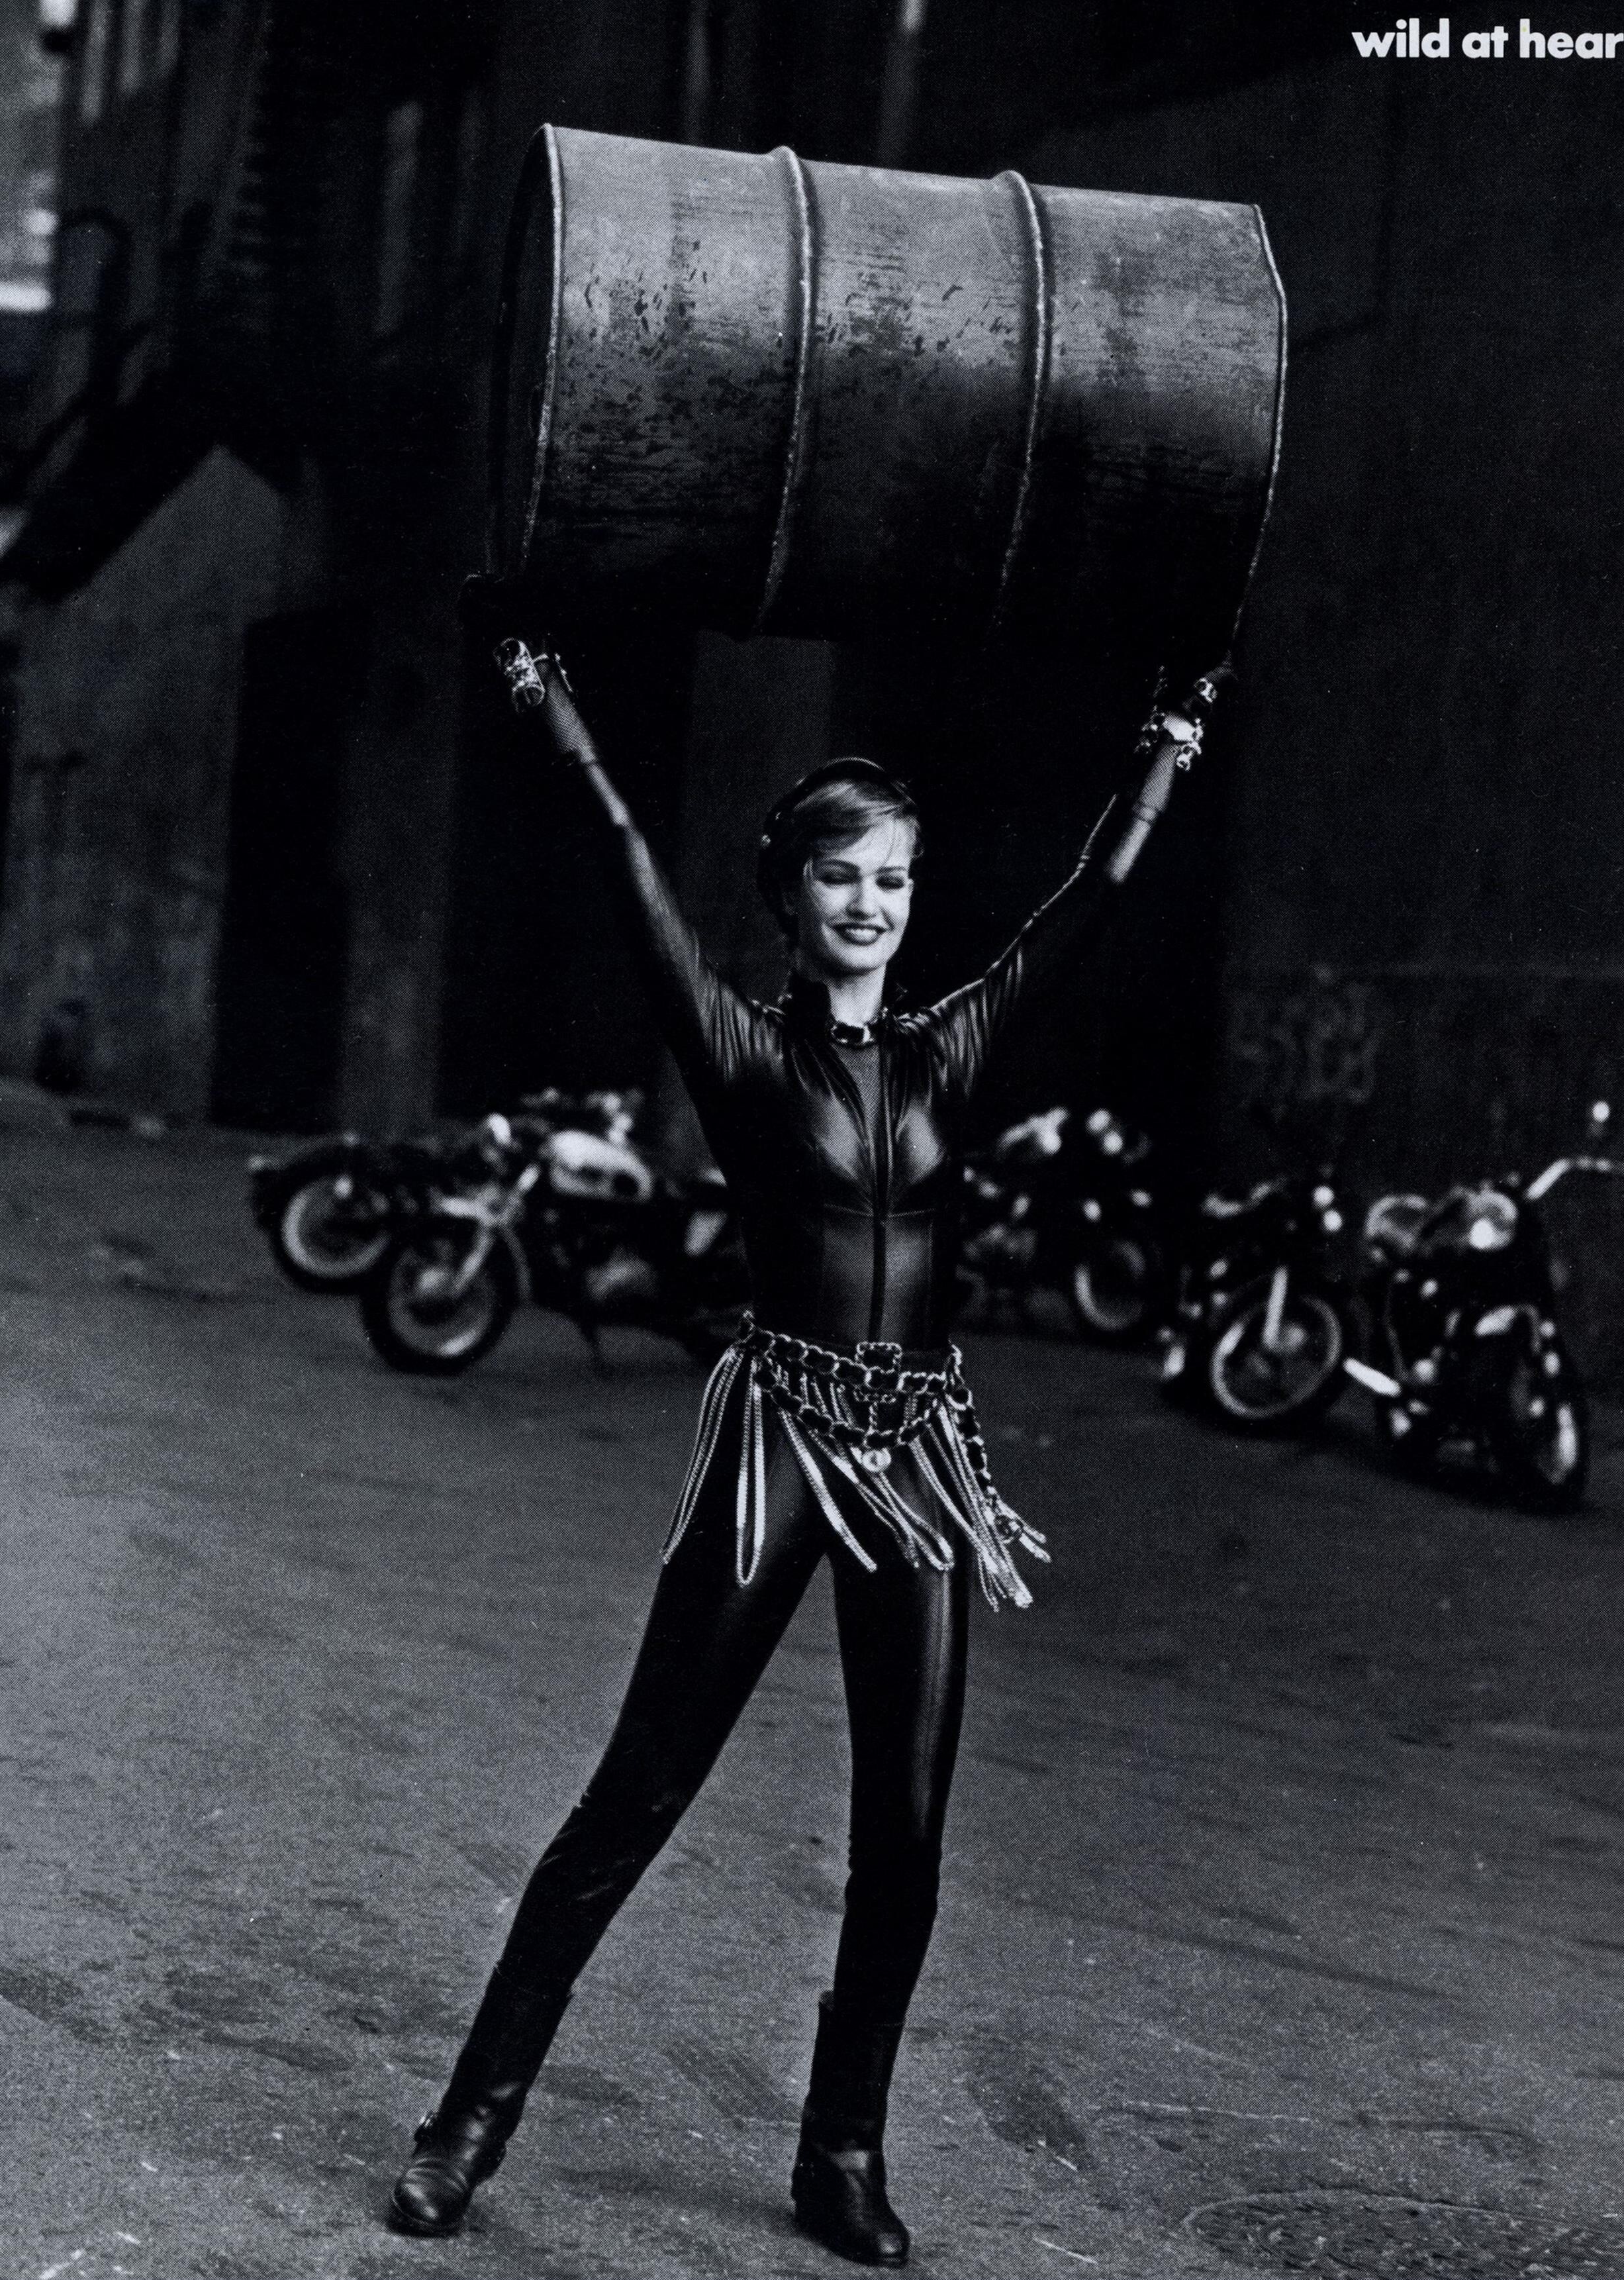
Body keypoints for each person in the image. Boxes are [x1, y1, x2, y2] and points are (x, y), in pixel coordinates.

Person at [387, 641, 1214, 2264]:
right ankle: (465, 2126)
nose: (870, 904)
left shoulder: (949, 1050)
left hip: (917, 1456)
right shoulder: (744, 1053)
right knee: (637, 1794)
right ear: (792, 892)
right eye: (842, 876)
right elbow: (624, 857)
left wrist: (1169, 745)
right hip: (777, 1440)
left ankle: (841, 2150)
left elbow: (1089, 900)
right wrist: (550, 699)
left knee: (905, 1829)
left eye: (893, 878)